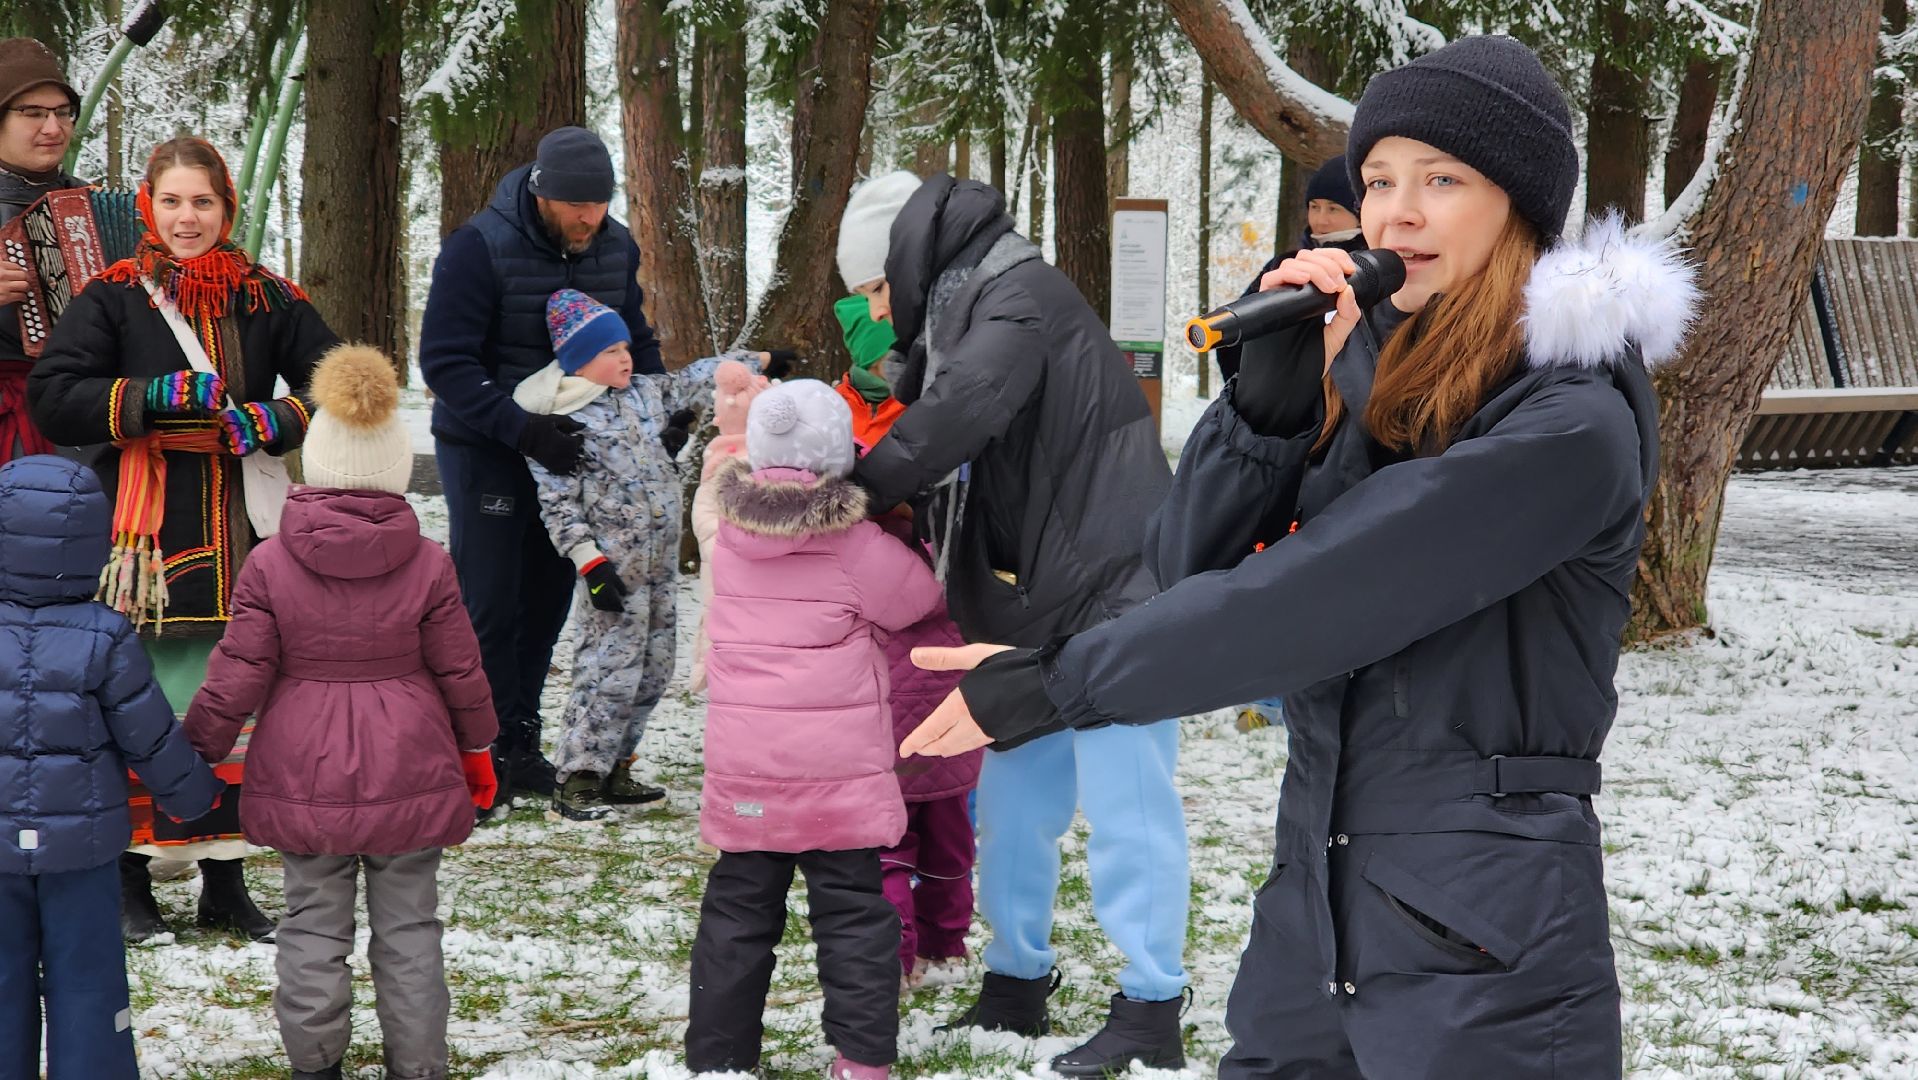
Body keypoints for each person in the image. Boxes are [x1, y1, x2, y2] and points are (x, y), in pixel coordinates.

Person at [901, 35, 1700, 1079]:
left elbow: (1322, 594)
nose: (1394, 212)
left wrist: (1062, 681)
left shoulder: (1570, 424)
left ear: (1518, 205)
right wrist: (1267, 413)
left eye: (1441, 179)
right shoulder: (1371, 370)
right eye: (1376, 180)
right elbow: (1186, 575)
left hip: (1481, 939)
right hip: (1313, 910)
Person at [836, 170, 1189, 1076]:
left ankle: (1152, 1004)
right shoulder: (976, 303)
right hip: (1029, 597)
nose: (875, 310)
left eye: (874, 288)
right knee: (1015, 804)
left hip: (1116, 593)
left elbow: (962, 411)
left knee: (1127, 809)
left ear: (906, 261)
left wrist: (855, 495)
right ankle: (1015, 983)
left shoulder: (1018, 299)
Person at [30, 135, 339, 942]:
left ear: (227, 207)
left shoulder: (269, 297)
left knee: (231, 701)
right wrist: (145, 397)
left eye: (201, 201)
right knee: (138, 701)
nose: (186, 217)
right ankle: (130, 877)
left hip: (241, 526)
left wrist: (281, 417)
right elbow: (54, 397)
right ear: (147, 207)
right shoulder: (112, 295)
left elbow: (337, 378)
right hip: (141, 539)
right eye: (170, 201)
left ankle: (224, 881)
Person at [184, 345, 499, 1080]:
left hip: (304, 764)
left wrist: (195, 751)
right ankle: (418, 1066)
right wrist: (478, 750)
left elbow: (238, 671)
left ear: (314, 465)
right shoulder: (428, 562)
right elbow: (460, 669)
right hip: (410, 761)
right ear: (393, 469)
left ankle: (316, 1065)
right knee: (411, 928)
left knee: (311, 925)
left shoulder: (269, 563)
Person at [686, 379, 944, 1080]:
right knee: (855, 916)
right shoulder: (854, 544)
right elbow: (919, 598)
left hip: (749, 772)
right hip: (839, 779)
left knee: (735, 916)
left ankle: (718, 1058)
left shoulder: (730, 535)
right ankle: (861, 1061)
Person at [419, 125, 665, 803]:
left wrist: (654, 419)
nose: (589, 218)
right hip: (488, 449)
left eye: (600, 204)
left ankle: (520, 745)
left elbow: (635, 343)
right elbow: (445, 362)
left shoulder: (614, 246)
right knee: (491, 604)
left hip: (573, 452)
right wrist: (523, 430)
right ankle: (479, 756)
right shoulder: (478, 248)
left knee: (548, 597)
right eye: (575, 206)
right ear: (540, 194)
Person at [0, 453, 225, 1079]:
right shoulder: (104, 635)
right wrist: (193, 797)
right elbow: (147, 733)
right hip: (84, 848)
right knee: (89, 982)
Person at [513, 288, 777, 819]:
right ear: (578, 360)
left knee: (655, 670)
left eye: (625, 347)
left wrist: (756, 363)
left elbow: (695, 379)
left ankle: (614, 768)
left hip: (657, 568)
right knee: (607, 671)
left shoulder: (643, 393)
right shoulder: (564, 420)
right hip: (612, 571)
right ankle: (577, 777)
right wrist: (590, 563)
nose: (625, 358)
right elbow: (558, 506)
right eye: (610, 351)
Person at [827, 290, 981, 989]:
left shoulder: (861, 544)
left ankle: (897, 957)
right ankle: (946, 940)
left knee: (889, 839)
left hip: (880, 701)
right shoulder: (946, 513)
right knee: (949, 831)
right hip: (950, 693)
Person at [1213, 155, 1365, 388]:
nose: (1320, 219)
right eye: (1314, 207)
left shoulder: (1373, 274)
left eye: (1333, 209)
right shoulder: (1284, 266)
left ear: (1360, 214)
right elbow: (1236, 341)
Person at [0, 38, 83, 465]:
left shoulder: (92, 204)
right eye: (32, 113)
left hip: (88, 424)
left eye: (62, 113)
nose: (53, 128)